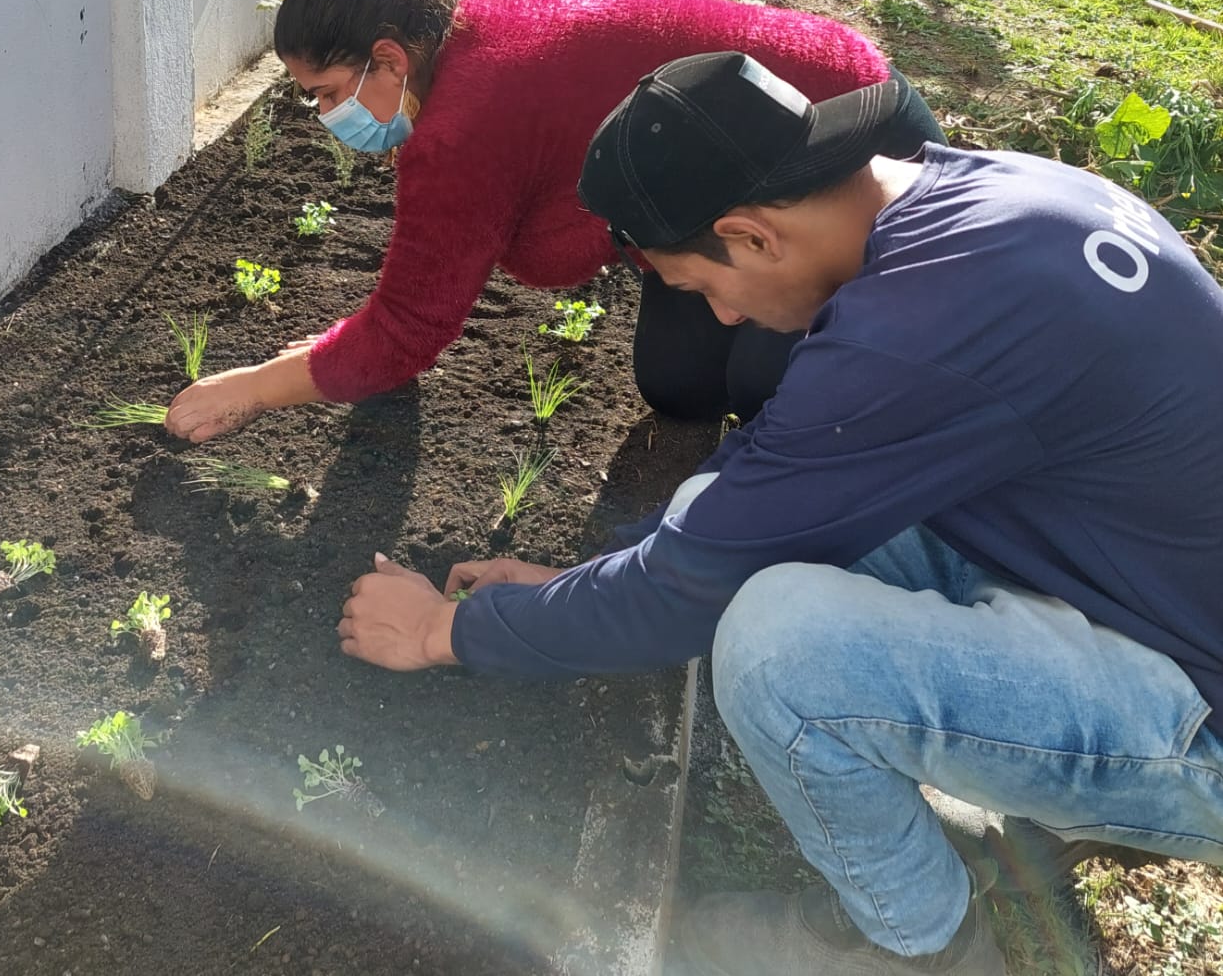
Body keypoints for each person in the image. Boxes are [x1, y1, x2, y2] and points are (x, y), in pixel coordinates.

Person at [335, 52, 1223, 976]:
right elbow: (765, 490)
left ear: (751, 237)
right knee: (737, 525)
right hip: (1144, 591)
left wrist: (445, 630)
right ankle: (1029, 832)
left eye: (697, 287)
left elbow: (692, 587)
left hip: (1201, 713)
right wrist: (576, 584)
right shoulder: (983, 201)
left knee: (779, 645)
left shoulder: (910, 333)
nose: (717, 316)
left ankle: (918, 945)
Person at [164, 0, 941, 443]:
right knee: (681, 388)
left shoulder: (463, 126)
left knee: (772, 391)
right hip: (710, 175)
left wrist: (253, 390)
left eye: (329, 90)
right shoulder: (463, 29)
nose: (326, 114)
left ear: (390, 59)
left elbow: (407, 330)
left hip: (837, 138)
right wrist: (336, 350)